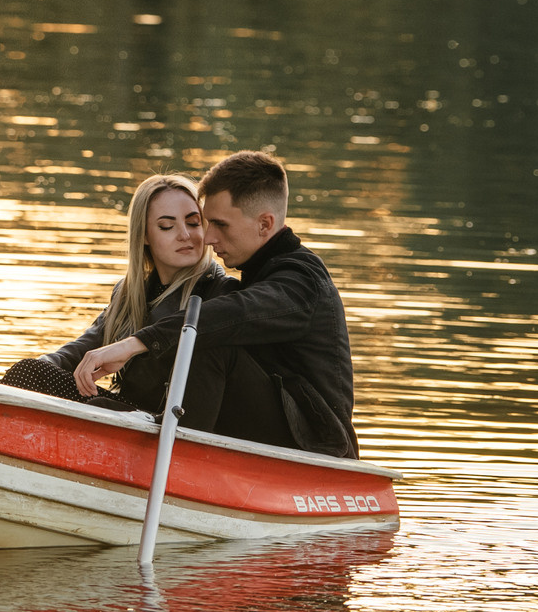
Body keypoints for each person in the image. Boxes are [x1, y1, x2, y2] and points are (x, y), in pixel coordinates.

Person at [72, 150, 360, 458]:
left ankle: (176, 452)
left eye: (219, 224)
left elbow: (234, 313)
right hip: (265, 427)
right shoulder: (260, 271)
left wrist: (137, 342)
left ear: (264, 224)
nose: (207, 237)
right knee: (42, 377)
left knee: (207, 336)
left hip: (318, 445)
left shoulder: (300, 281)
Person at [0, 173, 231, 410]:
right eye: (167, 226)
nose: (185, 235)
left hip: (167, 423)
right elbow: (81, 349)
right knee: (29, 372)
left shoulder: (221, 291)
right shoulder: (129, 293)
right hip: (125, 411)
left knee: (30, 374)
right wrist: (39, 366)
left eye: (194, 223)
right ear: (144, 235)